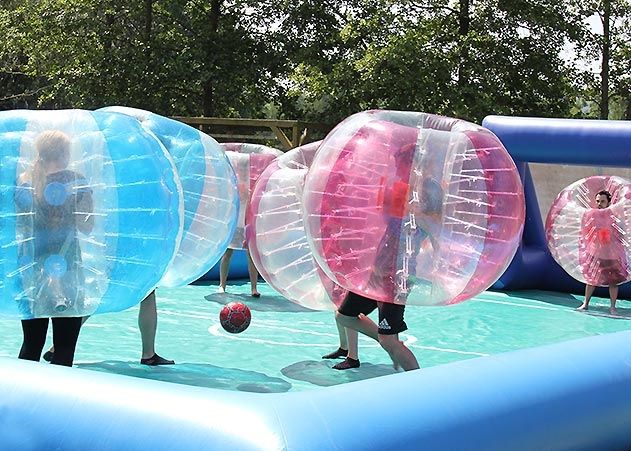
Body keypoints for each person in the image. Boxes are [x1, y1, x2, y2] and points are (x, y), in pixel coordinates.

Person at [15, 130, 93, 367]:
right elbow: (88, 226)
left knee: (31, 344)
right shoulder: (76, 180)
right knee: (64, 348)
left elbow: (19, 224)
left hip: (31, 266)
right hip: (67, 265)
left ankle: (20, 399)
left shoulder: (25, 180)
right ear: (66, 154)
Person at [43, 289, 174, 365]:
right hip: (137, 251)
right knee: (148, 292)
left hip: (113, 252)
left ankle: (57, 346)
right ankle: (148, 354)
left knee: (101, 295)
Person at [328, 291, 419, 371]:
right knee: (344, 317)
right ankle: (390, 344)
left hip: (391, 283)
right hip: (370, 280)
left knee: (387, 340)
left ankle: (419, 381)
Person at [577, 190, 624, 315]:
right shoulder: (591, 215)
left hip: (611, 253)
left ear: (609, 202)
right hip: (596, 252)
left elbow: (621, 234)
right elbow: (585, 232)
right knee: (591, 279)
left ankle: (613, 307)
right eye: (597, 201)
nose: (599, 204)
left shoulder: (614, 215)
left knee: (613, 281)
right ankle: (585, 303)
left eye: (602, 201)